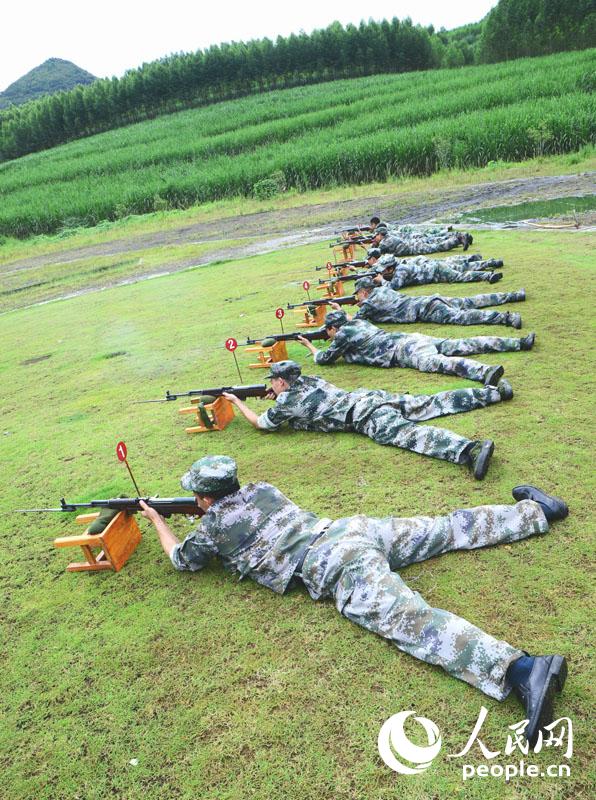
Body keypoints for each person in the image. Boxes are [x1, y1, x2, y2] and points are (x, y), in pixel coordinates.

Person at [139, 455, 569, 747]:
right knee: (444, 529)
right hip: (350, 530)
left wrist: (158, 520)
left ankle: (524, 670)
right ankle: (537, 511)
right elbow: (243, 516)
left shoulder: (213, 527)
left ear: (205, 497)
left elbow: (182, 559)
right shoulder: (262, 488)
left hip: (333, 564)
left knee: (409, 621)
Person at [223, 360, 514, 478]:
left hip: (364, 416)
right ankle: (493, 394)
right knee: (431, 402)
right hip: (370, 397)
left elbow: (261, 424)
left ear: (281, 382)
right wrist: (280, 397)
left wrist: (237, 402)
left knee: (412, 435)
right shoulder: (311, 380)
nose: (271, 385)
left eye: (273, 381)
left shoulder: (287, 401)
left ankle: (469, 450)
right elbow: (304, 402)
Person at [297, 310, 535, 385]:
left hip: (403, 350)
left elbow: (325, 359)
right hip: (412, 337)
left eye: (328, 331)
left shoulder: (343, 334)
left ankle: (484, 372)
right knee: (462, 344)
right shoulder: (358, 322)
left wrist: (311, 346)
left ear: (332, 328)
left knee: (441, 363)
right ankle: (518, 342)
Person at [345, 276, 525, 328]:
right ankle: (514, 295)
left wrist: (341, 310)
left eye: (358, 294)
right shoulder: (383, 289)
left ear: (363, 292)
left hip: (426, 309)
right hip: (428, 300)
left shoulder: (369, 304)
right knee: (469, 301)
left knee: (462, 317)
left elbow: (354, 323)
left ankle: (506, 318)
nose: (357, 297)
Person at [368, 253, 504, 289]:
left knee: (461, 276)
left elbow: (393, 287)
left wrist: (381, 281)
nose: (383, 272)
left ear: (391, 268)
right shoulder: (397, 269)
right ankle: (491, 262)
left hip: (437, 272)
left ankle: (487, 275)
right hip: (435, 268)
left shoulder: (401, 271)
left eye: (385, 270)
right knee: (462, 267)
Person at [370, 224, 474, 256]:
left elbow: (374, 254)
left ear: (380, 234)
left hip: (414, 248)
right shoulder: (389, 237)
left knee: (438, 247)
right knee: (436, 241)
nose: (375, 238)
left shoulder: (384, 243)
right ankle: (458, 237)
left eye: (376, 236)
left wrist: (372, 245)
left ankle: (458, 239)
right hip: (414, 244)